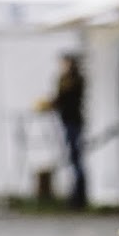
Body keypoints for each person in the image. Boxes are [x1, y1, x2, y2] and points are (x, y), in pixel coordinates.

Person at [48, 54, 87, 206]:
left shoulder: (73, 80)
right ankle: (76, 193)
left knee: (76, 158)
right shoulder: (69, 80)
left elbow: (64, 99)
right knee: (74, 158)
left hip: (73, 121)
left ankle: (78, 195)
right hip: (69, 120)